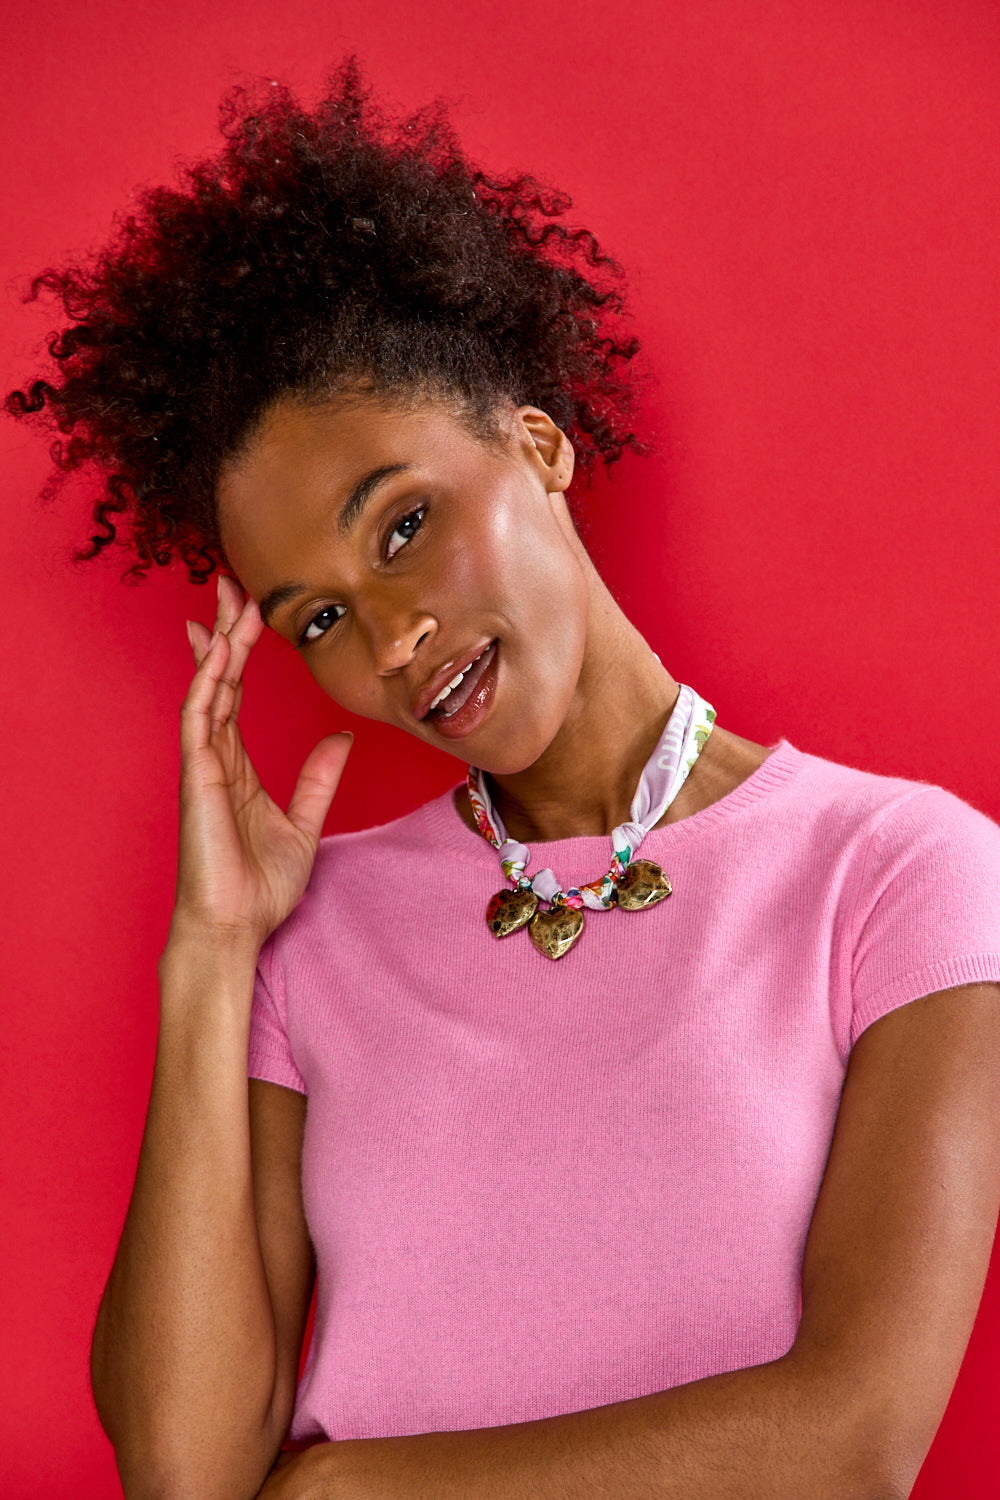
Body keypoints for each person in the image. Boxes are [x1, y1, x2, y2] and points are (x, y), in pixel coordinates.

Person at [8, 59, 1000, 1500]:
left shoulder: (900, 873)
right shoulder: (310, 936)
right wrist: (211, 952)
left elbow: (854, 1439)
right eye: (320, 619)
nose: (392, 639)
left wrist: (355, 1492)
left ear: (537, 445)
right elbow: (181, 1470)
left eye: (403, 526)